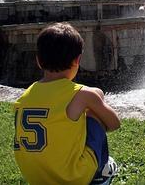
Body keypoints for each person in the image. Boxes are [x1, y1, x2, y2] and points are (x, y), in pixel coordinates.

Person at [13, 23, 120, 185]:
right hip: (73, 178)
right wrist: (95, 100)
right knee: (93, 113)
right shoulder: (82, 95)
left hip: (35, 177)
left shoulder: (24, 97)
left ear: (38, 61)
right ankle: (101, 172)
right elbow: (114, 124)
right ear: (78, 60)